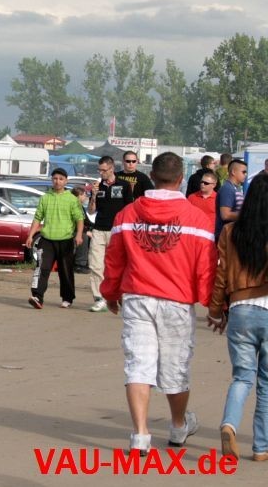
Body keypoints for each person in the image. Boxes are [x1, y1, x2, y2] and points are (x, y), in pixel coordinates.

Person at [101, 152, 217, 455]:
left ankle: (140, 434)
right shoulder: (196, 219)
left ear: (151, 177)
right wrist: (212, 304)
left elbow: (114, 259)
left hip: (138, 298)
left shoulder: (127, 215)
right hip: (176, 301)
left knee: (138, 366)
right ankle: (178, 426)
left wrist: (110, 292)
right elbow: (206, 266)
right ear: (181, 179)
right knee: (175, 367)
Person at [208, 175, 268, 461]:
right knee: (266, 382)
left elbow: (220, 274)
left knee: (242, 377)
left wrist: (215, 310)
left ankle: (229, 424)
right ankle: (261, 448)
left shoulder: (230, 232)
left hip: (241, 309)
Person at [26, 168, 84, 309]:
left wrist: (78, 235)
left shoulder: (72, 199)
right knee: (42, 268)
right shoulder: (45, 198)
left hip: (65, 240)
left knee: (65, 270)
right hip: (47, 240)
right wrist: (30, 235)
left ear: (66, 181)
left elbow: (79, 219)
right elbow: (38, 218)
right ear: (52, 180)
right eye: (55, 179)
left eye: (61, 179)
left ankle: (67, 298)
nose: (57, 181)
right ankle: (37, 297)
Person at [86, 156, 133, 313]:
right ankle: (100, 298)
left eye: (104, 170)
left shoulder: (124, 185)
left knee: (117, 266)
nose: (101, 173)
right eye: (99, 170)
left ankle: (120, 294)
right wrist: (93, 195)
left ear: (112, 169)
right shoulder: (97, 186)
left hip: (117, 231)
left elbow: (130, 209)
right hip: (99, 229)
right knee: (95, 265)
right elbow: (91, 210)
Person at [217, 159, 248, 239]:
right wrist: (248, 215)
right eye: (243, 172)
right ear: (233, 172)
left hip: (232, 235)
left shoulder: (235, 188)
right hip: (226, 237)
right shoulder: (227, 189)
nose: (245, 175)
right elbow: (225, 215)